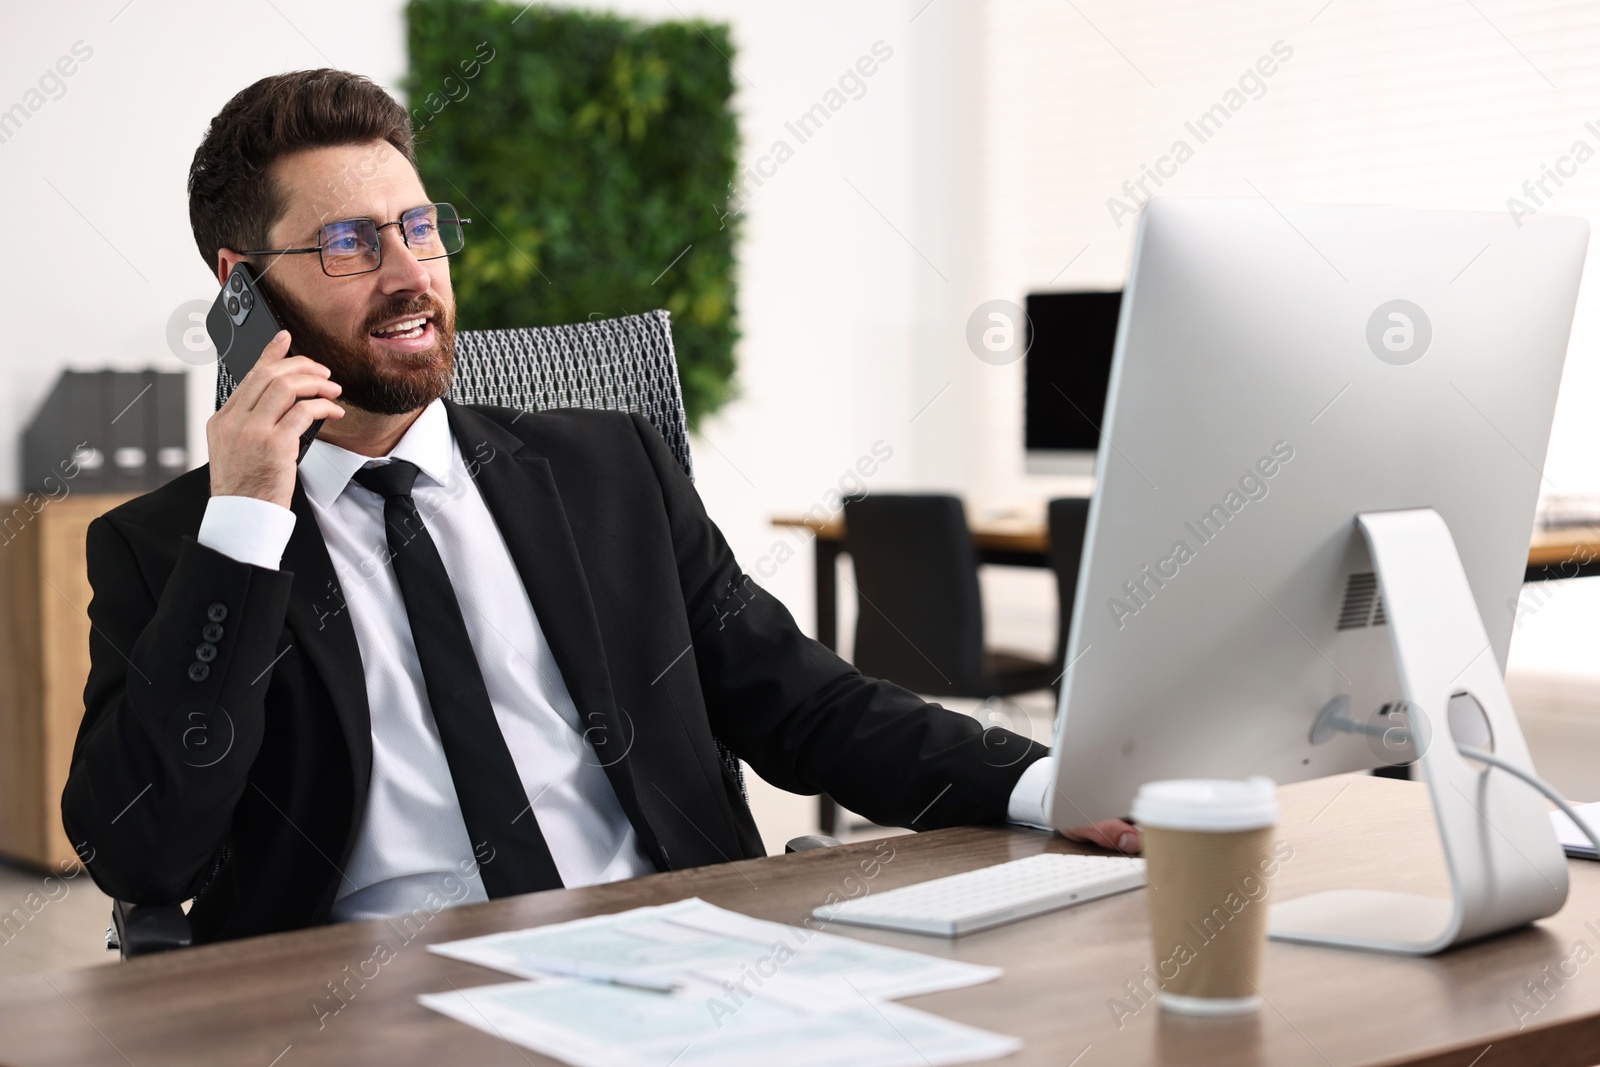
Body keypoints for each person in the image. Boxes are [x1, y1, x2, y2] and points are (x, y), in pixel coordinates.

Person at [61, 69, 1137, 942]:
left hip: (675, 952)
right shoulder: (170, 545)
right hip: (369, 1001)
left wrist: (1047, 784)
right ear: (241, 287)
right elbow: (144, 852)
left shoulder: (605, 469)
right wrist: (246, 525)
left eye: (419, 226)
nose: (407, 273)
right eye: (348, 243)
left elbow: (806, 704)